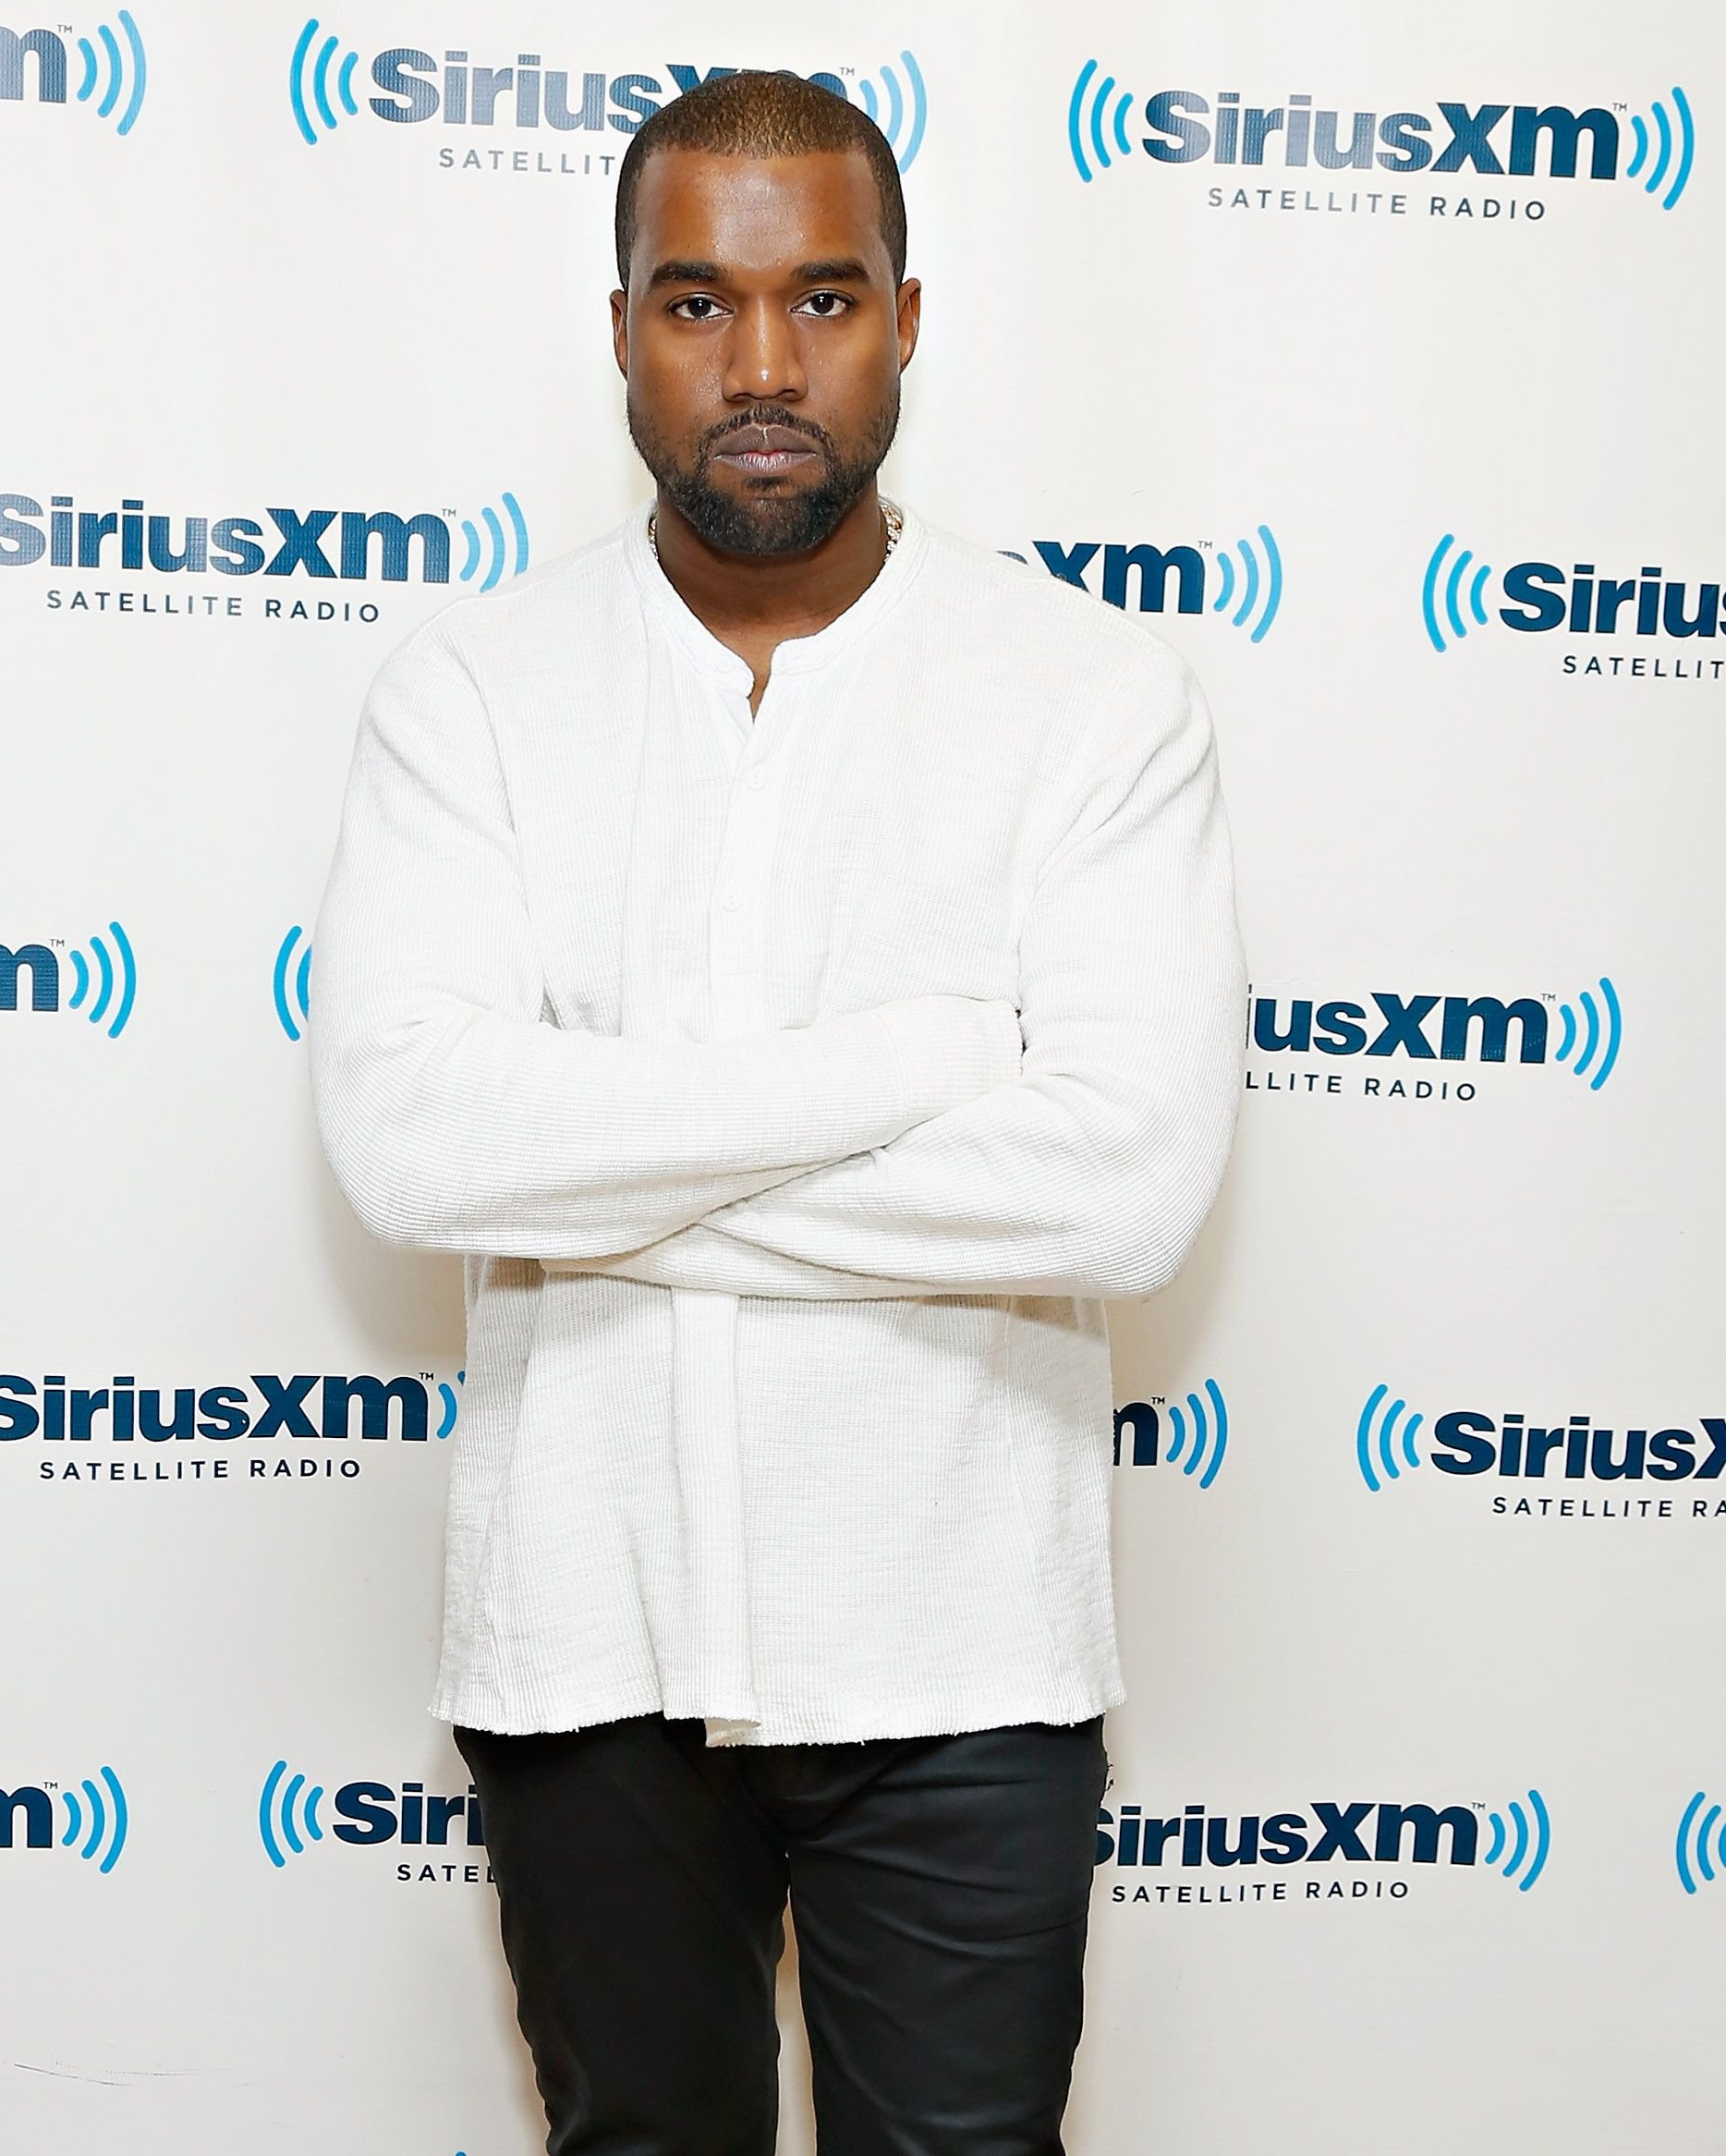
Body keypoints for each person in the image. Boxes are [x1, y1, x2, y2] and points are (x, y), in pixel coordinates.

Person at [309, 67, 1244, 2156]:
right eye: (696, 302)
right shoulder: (473, 687)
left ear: (910, 317)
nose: (760, 366)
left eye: (821, 301)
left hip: (963, 1657)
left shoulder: (1088, 691)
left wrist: (600, 1178)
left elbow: (1122, 1182)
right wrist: (922, 1067)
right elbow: (411, 1143)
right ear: (621, 322)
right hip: (588, 1640)